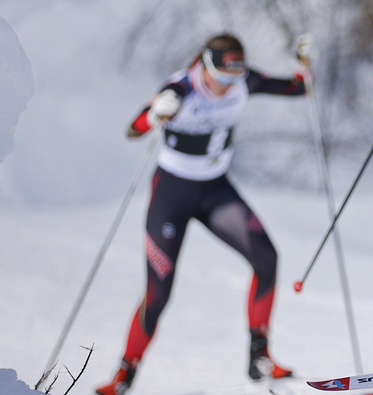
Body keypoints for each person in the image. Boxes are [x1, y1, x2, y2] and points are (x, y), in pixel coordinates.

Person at [96, 34, 307, 395]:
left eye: (233, 78)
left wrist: (304, 64)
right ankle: (124, 375)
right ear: (204, 66)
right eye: (221, 77)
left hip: (214, 191)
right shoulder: (181, 88)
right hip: (172, 195)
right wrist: (154, 113)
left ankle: (259, 357)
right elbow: (134, 129)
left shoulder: (243, 80)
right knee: (159, 292)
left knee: (267, 258)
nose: (227, 86)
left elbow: (297, 89)